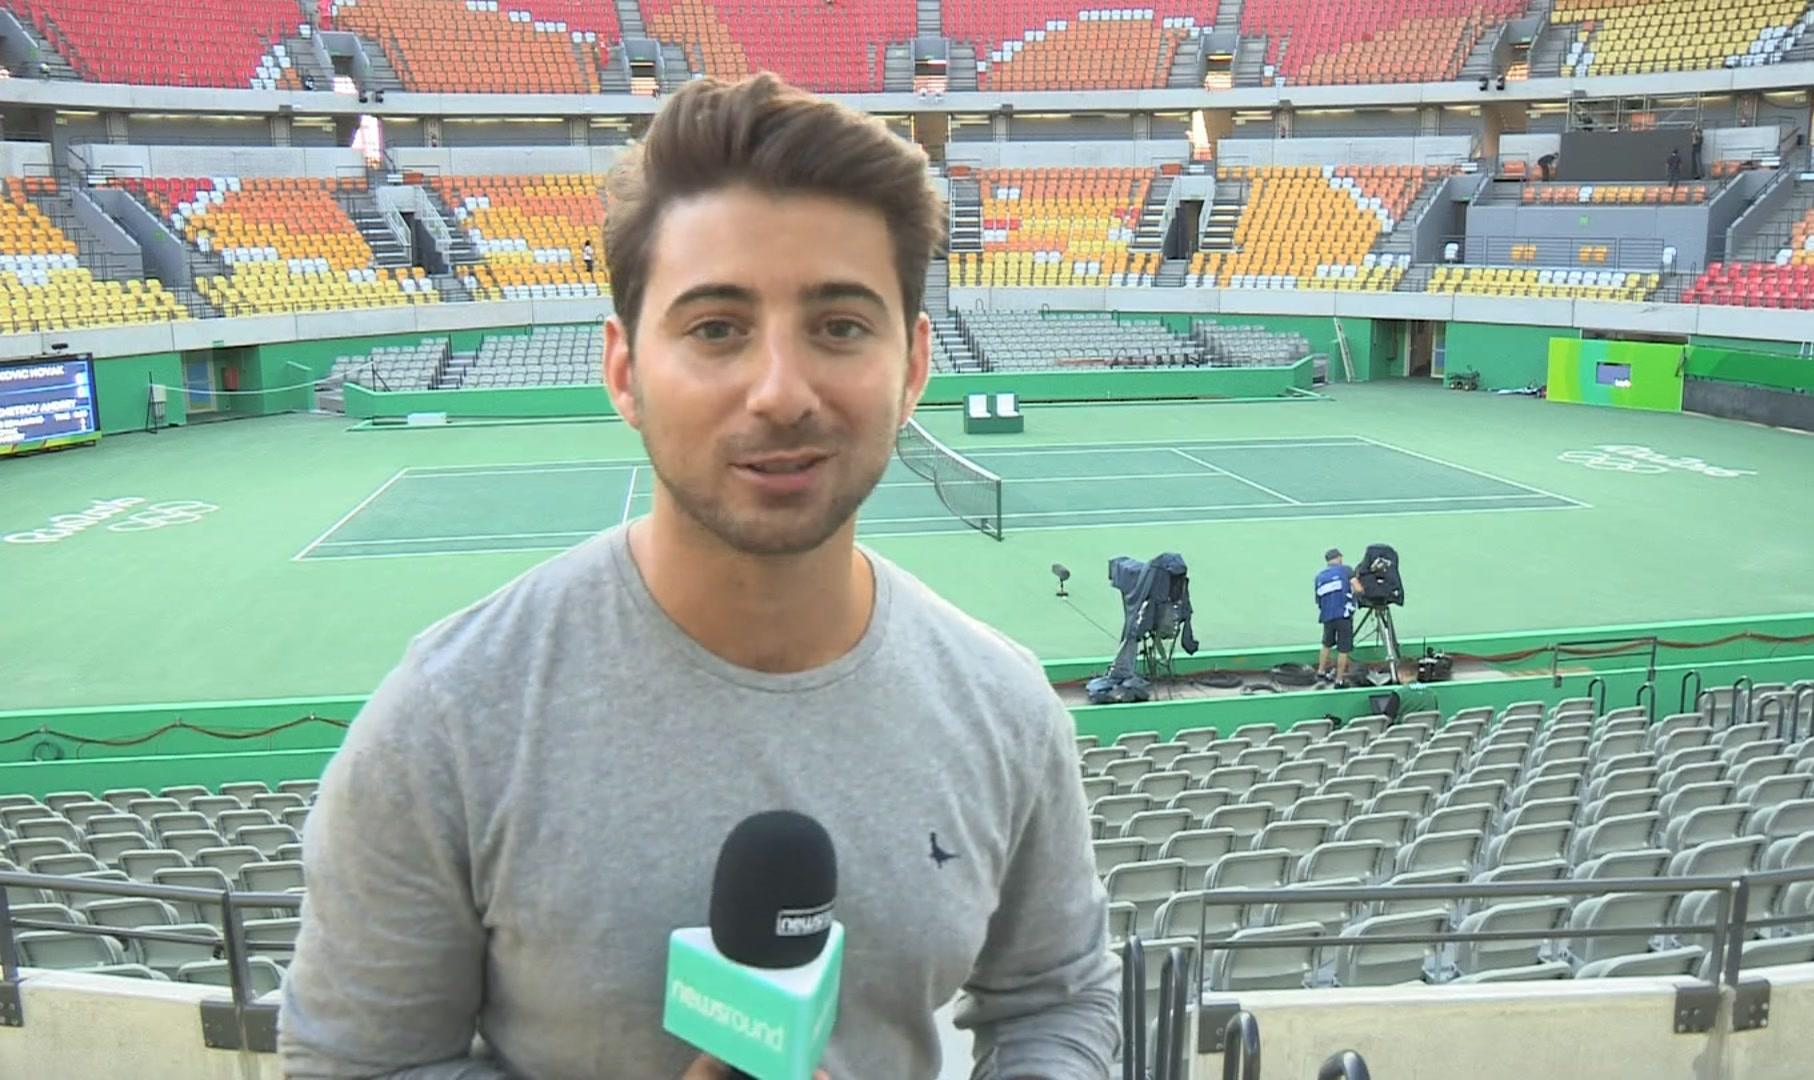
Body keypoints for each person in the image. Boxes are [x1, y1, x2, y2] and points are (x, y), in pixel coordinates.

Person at [278, 73, 1120, 1080]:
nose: (780, 392)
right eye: (717, 328)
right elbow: (357, 1065)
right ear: (626, 371)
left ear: (914, 367)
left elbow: (1059, 1004)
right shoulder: (449, 721)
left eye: (841, 326)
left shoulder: (1006, 708)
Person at [1314, 547, 1362, 688]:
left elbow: (1318, 600)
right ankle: (1339, 680)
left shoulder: (1319, 577)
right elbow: (1358, 588)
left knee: (1326, 643)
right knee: (1343, 649)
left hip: (1327, 615)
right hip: (1343, 615)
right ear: (1339, 558)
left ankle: (1321, 671)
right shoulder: (1346, 570)